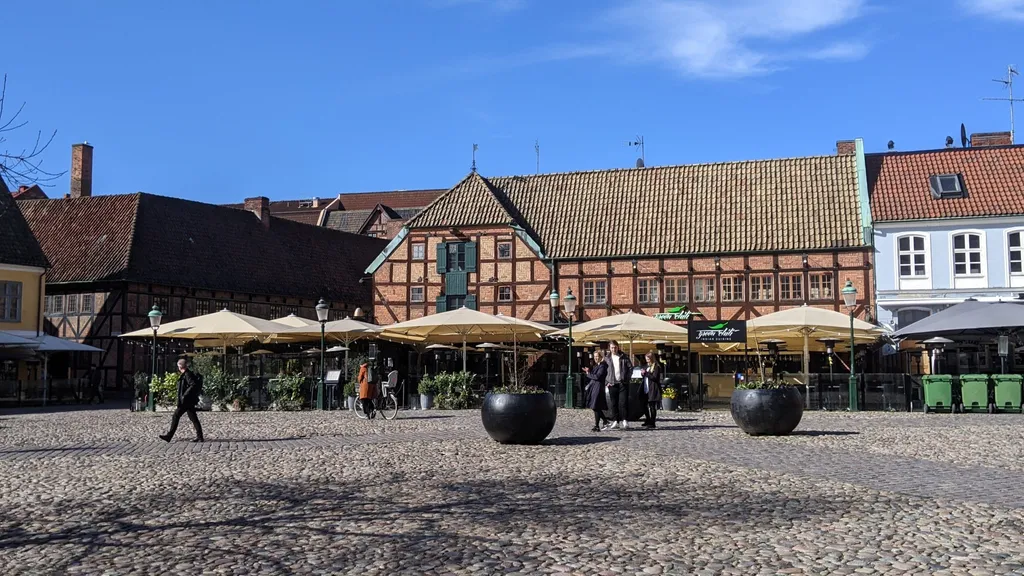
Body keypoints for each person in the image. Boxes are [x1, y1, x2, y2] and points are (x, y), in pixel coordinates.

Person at [159, 358, 204, 443]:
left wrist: (184, 395)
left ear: (180, 366)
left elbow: (193, 385)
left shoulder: (187, 374)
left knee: (176, 416)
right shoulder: (186, 374)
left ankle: (169, 436)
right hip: (188, 401)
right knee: (193, 418)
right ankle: (200, 436)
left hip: (186, 401)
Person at [603, 340, 633, 430]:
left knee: (623, 402)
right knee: (613, 403)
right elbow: (603, 370)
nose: (614, 349)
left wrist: (627, 378)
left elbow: (630, 368)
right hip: (612, 383)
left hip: (622, 383)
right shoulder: (607, 358)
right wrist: (606, 382)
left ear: (618, 347)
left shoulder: (624, 356)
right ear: (609, 348)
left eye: (615, 347)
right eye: (612, 347)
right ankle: (615, 421)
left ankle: (625, 420)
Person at [582, 350, 610, 432]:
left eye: (597, 356)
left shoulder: (603, 366)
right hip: (594, 387)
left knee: (595, 406)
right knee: (595, 406)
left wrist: (588, 374)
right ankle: (603, 422)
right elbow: (594, 376)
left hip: (598, 387)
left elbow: (597, 377)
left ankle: (599, 424)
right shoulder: (597, 366)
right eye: (595, 357)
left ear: (601, 357)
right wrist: (589, 372)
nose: (596, 358)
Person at [640, 352, 663, 429]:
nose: (647, 360)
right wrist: (643, 373)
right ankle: (648, 419)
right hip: (646, 388)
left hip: (653, 388)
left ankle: (652, 422)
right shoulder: (647, 366)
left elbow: (654, 377)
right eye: (646, 359)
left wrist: (646, 373)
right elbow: (645, 376)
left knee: (652, 406)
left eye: (648, 359)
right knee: (644, 405)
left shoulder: (656, 367)